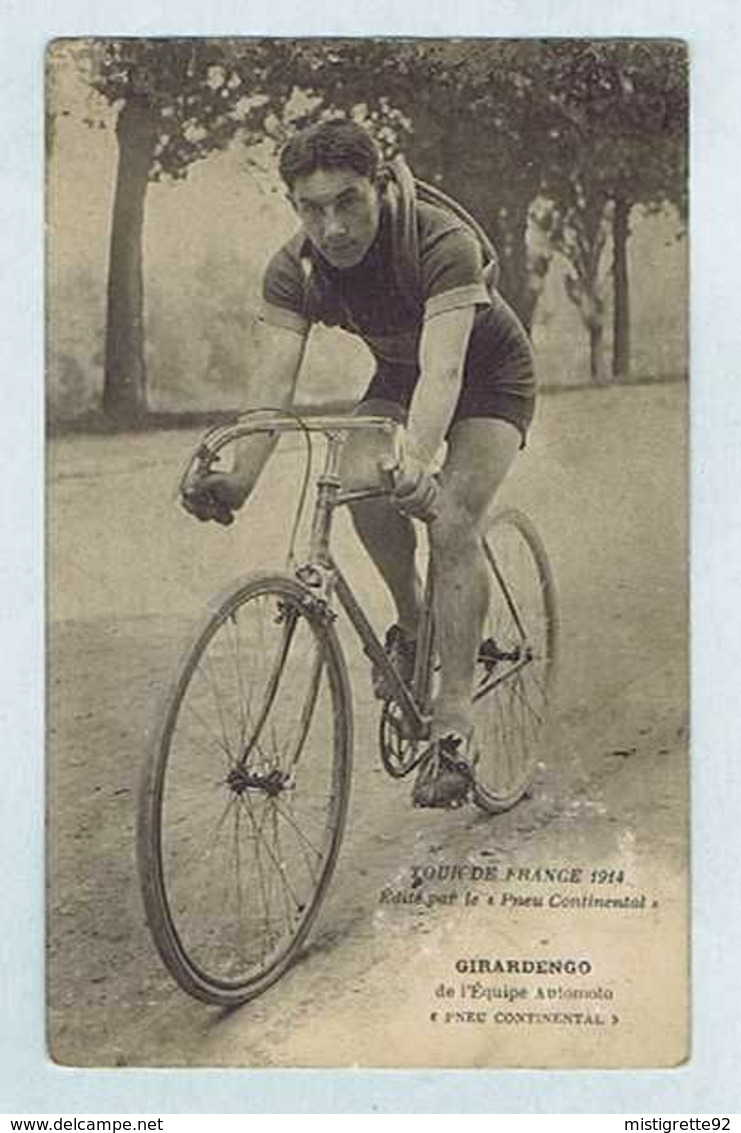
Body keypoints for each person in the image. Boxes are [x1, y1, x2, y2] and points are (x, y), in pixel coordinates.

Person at [185, 118, 536, 808]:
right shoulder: (295, 269)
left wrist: (416, 460)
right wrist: (238, 480)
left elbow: (446, 370)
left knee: (451, 516)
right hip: (402, 377)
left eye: (347, 201)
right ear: (293, 207)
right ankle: (413, 623)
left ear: (379, 186)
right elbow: (271, 395)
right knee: (359, 486)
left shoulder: (439, 240)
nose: (333, 226)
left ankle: (454, 723)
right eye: (311, 208)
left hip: (489, 377)